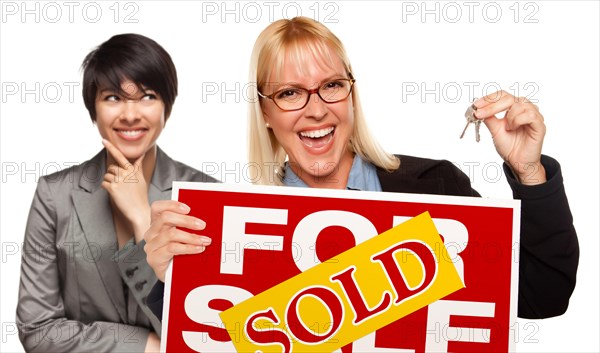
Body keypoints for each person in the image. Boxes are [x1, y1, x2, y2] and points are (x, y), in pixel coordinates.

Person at [144, 17, 578, 321]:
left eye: (332, 85)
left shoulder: (437, 188)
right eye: (291, 92)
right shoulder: (230, 234)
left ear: (351, 95)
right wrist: (169, 280)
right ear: (265, 114)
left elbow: (545, 294)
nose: (316, 110)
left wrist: (529, 171)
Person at [16, 33, 216, 352]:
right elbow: (37, 330)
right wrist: (144, 345)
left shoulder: (207, 195)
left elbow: (208, 334)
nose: (130, 114)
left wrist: (141, 217)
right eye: (112, 97)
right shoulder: (55, 195)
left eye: (147, 96)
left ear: (168, 105)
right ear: (93, 108)